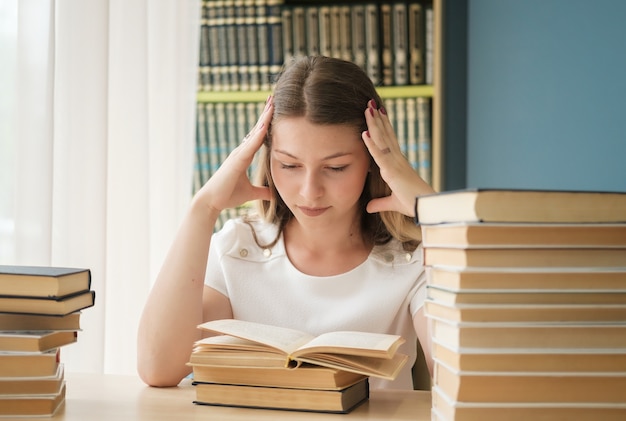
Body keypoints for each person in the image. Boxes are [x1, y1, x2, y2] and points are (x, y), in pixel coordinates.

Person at [137, 56, 435, 390]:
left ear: (374, 161)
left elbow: (469, 381)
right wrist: (203, 208)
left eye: (336, 168)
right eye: (290, 166)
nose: (310, 192)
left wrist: (438, 217)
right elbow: (158, 368)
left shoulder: (418, 258)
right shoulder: (238, 248)